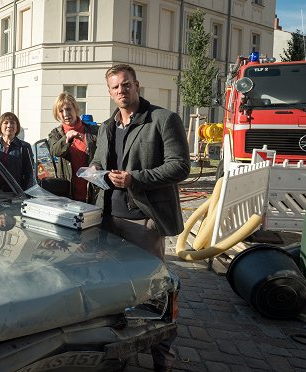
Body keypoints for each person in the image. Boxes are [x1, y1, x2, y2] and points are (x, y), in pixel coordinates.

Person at [90, 64, 190, 372]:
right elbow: (98, 161)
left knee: (154, 294)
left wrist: (135, 178)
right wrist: (94, 172)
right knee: (113, 293)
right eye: (115, 87)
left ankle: (162, 358)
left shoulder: (162, 119)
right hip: (106, 221)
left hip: (142, 222)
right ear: (110, 92)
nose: (122, 90)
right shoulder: (107, 126)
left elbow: (179, 167)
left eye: (126, 84)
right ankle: (115, 352)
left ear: (136, 85)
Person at [48, 92, 99, 203]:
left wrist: (86, 139)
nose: (66, 114)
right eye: (61, 111)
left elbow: (103, 152)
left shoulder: (94, 130)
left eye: (68, 109)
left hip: (93, 193)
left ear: (75, 109)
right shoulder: (55, 134)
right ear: (57, 114)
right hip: (68, 194)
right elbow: (54, 151)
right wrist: (67, 137)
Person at [0, 112, 34, 191]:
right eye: (6, 123)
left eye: (13, 123)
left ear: (17, 127)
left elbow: (29, 174)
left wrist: (25, 193)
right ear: (0, 126)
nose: (9, 125)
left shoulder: (24, 147)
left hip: (15, 194)